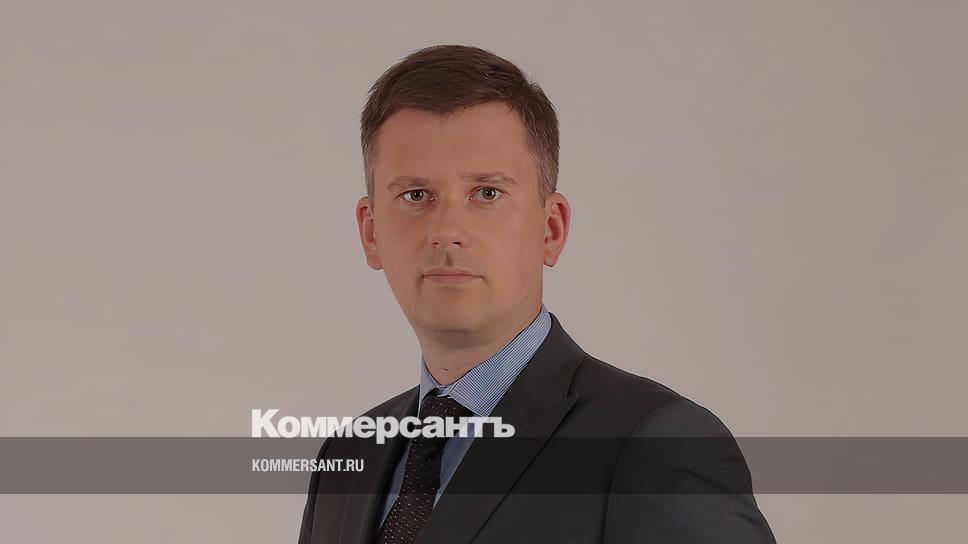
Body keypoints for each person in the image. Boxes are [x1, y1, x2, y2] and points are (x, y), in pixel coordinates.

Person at [298, 44, 776, 544]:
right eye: (415, 195)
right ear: (371, 233)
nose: (447, 231)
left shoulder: (655, 445)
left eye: (487, 193)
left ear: (551, 228)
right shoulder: (346, 459)